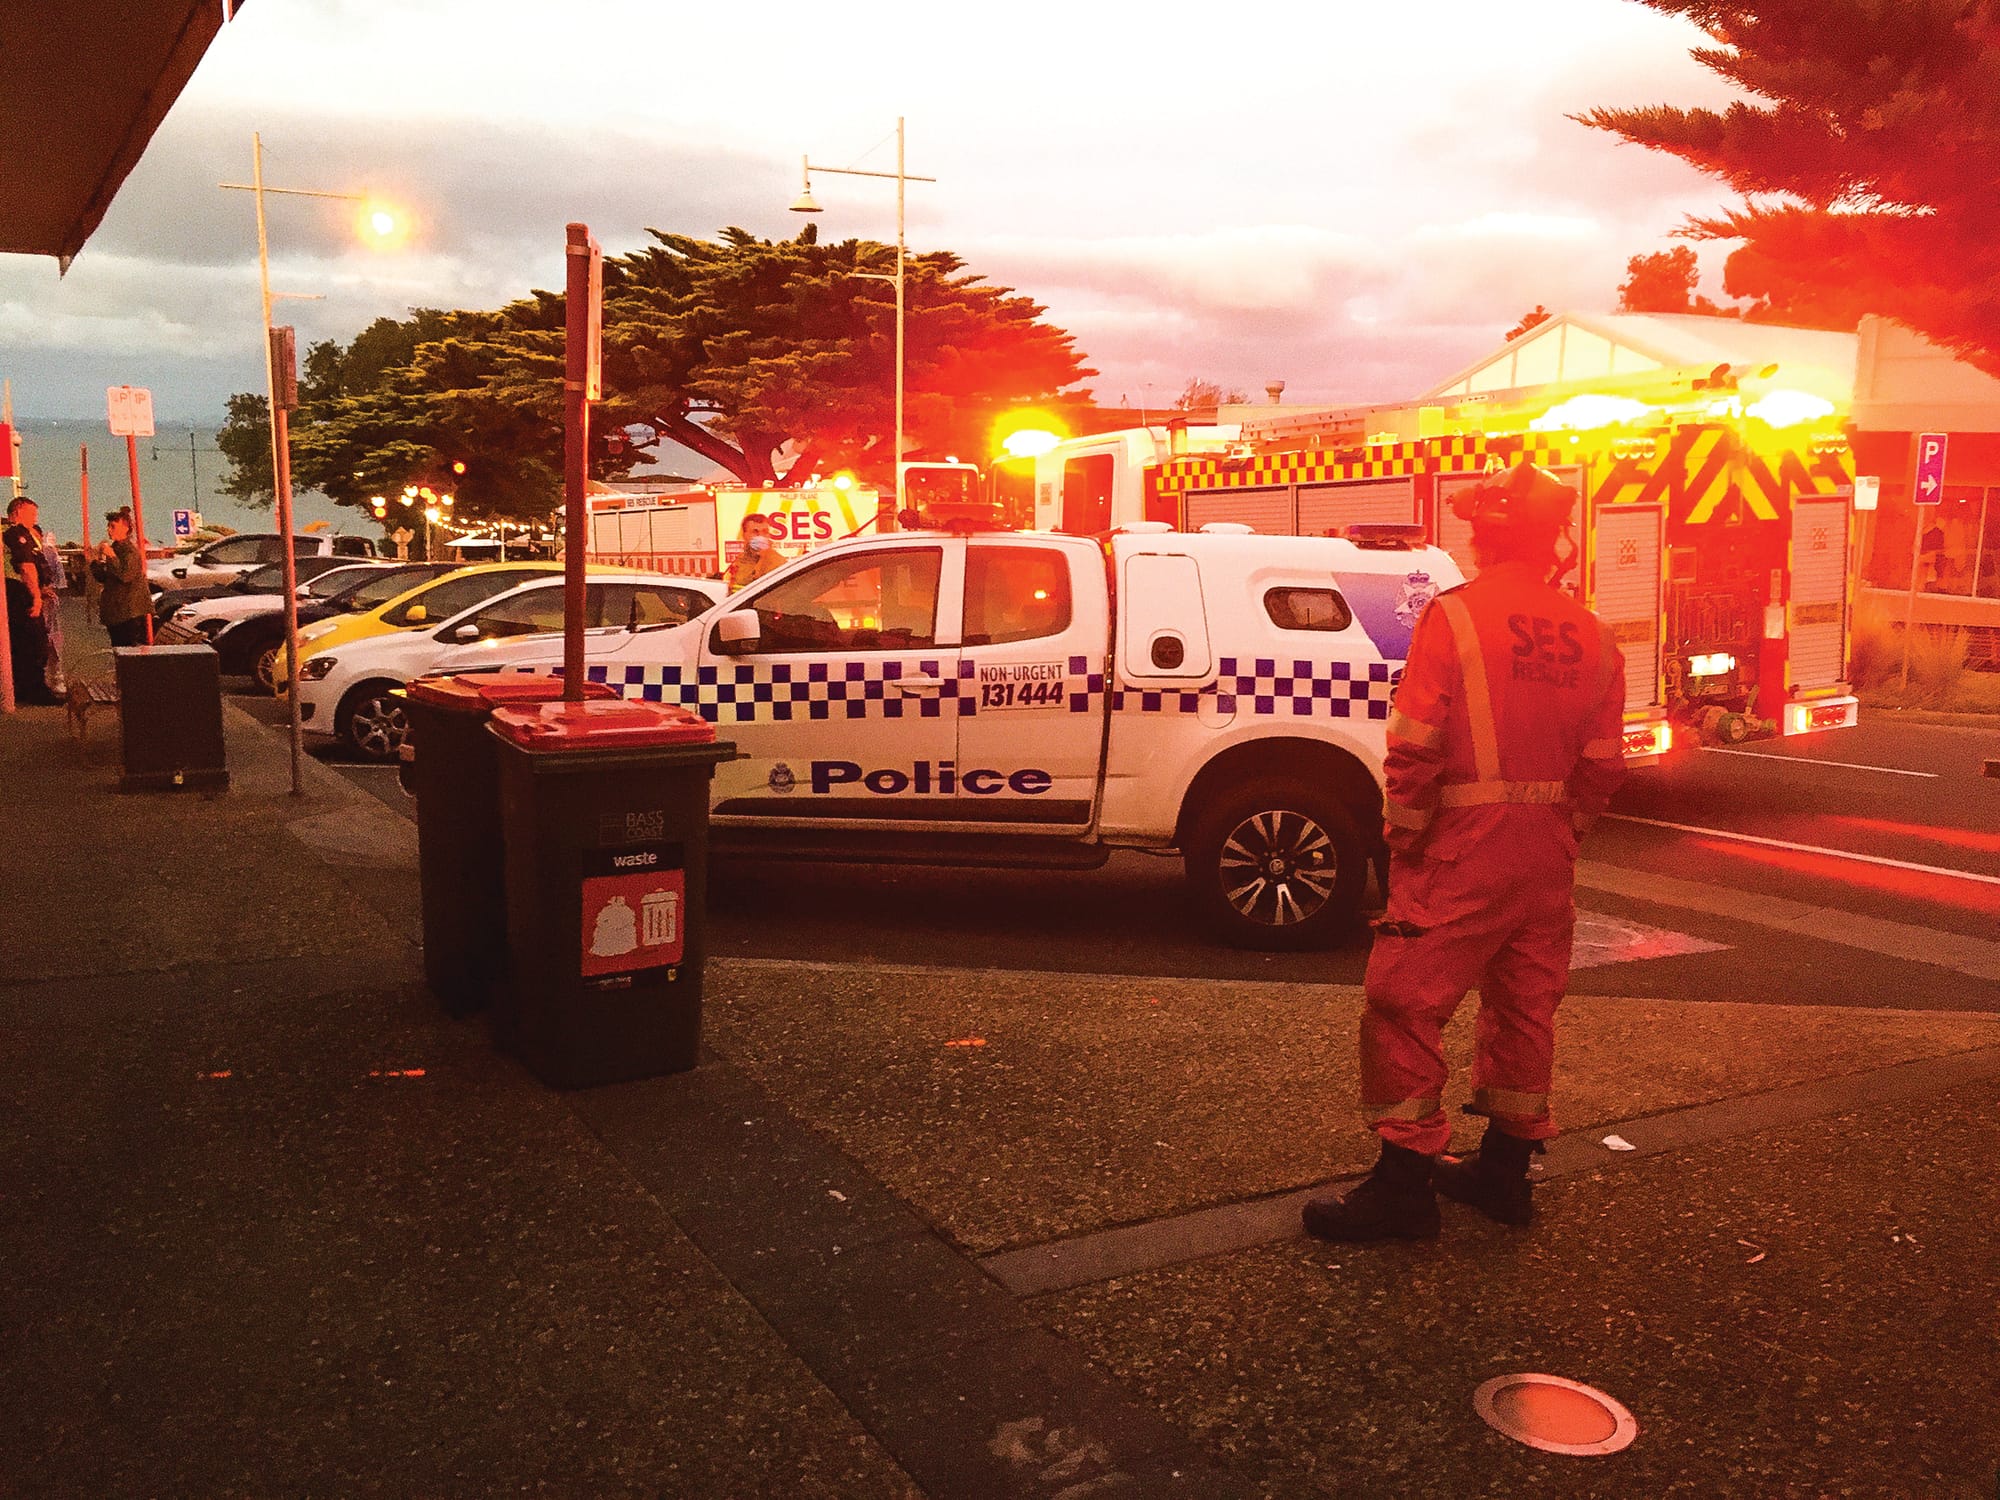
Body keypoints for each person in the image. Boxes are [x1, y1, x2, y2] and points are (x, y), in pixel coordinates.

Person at [1303, 461, 1628, 1243]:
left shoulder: (1455, 618)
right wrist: (1565, 832)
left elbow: (1415, 744)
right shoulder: (1592, 631)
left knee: (1402, 1005)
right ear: (1552, 541)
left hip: (1459, 852)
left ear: (1486, 536)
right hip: (1545, 859)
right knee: (1524, 1010)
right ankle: (1506, 1175)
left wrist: (1404, 838)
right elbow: (1605, 761)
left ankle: (1404, 1189)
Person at [3, 496, 62, 705]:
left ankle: (21, 688)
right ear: (18, 512)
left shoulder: (11, 534)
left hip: (16, 592)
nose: (34, 518)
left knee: (22, 643)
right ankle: (35, 690)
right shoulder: (16, 534)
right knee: (34, 643)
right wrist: (36, 596)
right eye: (31, 513)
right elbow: (26, 566)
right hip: (19, 594)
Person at [91, 508, 151, 648]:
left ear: (125, 527)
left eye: (113, 526)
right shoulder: (116, 548)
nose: (109, 530)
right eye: (108, 526)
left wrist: (111, 556)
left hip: (128, 613)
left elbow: (125, 575)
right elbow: (105, 578)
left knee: (126, 650)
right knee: (118, 648)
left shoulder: (130, 551)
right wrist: (96, 562)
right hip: (117, 612)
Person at [725, 511, 786, 594]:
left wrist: (763, 556)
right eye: (755, 532)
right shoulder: (739, 562)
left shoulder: (778, 562)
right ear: (744, 535)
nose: (760, 536)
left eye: (764, 531)